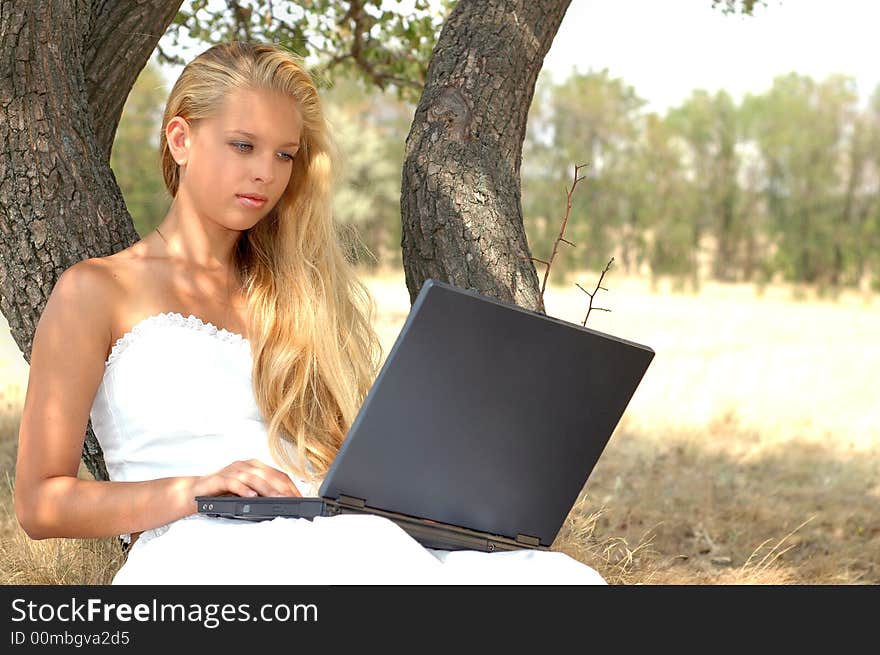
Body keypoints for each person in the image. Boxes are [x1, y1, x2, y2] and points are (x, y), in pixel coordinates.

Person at [14, 41, 606, 585]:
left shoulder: (296, 294)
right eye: (242, 145)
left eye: (284, 155)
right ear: (180, 140)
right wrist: (197, 490)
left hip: (332, 534)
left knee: (554, 578)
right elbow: (40, 503)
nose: (264, 174)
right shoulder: (95, 291)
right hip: (201, 554)